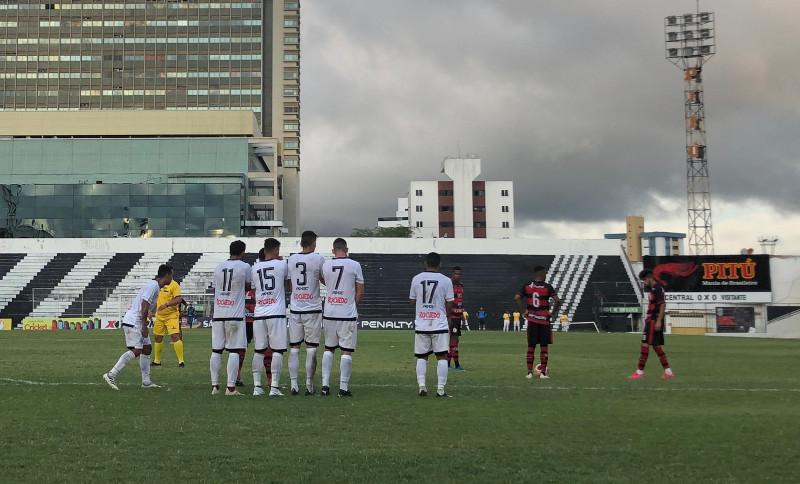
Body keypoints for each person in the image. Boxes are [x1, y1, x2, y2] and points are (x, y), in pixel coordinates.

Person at [103, 264, 173, 390]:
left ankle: (146, 382)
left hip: (136, 321)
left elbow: (146, 306)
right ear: (167, 275)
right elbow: (144, 305)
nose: (172, 279)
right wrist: (144, 326)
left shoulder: (155, 286)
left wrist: (150, 314)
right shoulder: (153, 286)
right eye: (171, 275)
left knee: (147, 349)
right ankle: (111, 374)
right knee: (137, 350)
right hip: (134, 322)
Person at [320, 238, 364, 397]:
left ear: (333, 251)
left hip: (330, 312)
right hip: (347, 313)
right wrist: (353, 304)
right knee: (346, 351)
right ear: (347, 249)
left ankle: (325, 386)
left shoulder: (326, 265)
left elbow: (323, 279)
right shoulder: (355, 265)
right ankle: (343, 388)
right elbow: (360, 289)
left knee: (328, 348)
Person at [209, 240, 252, 396]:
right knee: (234, 350)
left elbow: (216, 288)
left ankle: (215, 386)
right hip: (234, 314)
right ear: (243, 252)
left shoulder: (219, 267)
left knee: (216, 350)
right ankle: (231, 388)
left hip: (218, 313)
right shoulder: (245, 267)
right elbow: (248, 286)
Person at [287, 230, 326, 396]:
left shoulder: (292, 259)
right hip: (312, 308)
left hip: (295, 308)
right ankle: (309, 384)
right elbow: (325, 280)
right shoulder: (318, 258)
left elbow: (289, 283)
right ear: (313, 243)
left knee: (294, 348)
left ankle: (294, 385)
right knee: (311, 348)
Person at [411, 252, 455, 397]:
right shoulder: (446, 280)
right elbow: (450, 302)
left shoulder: (416, 279)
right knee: (442, 356)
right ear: (439, 264)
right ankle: (440, 389)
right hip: (439, 322)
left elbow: (412, 301)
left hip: (422, 323)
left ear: (425, 263)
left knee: (422, 357)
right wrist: (446, 315)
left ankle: (422, 387)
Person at [251, 238, 290, 397]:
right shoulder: (282, 264)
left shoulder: (255, 267)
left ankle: (257, 387)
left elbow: (254, 289)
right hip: (276, 312)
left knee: (259, 350)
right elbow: (289, 285)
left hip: (259, 312)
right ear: (274, 250)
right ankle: (274, 387)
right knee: (278, 350)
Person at [515, 265, 560, 380]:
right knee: (544, 347)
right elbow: (557, 300)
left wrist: (523, 311)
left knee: (531, 346)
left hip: (532, 321)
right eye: (545, 273)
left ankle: (529, 373)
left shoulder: (527, 286)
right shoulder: (547, 287)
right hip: (544, 321)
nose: (546, 275)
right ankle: (543, 373)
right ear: (541, 273)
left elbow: (517, 297)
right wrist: (552, 313)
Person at [629, 269, 674, 380]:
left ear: (649, 278)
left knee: (644, 344)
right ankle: (668, 372)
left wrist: (658, 321)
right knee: (656, 346)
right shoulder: (653, 289)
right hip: (651, 321)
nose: (644, 282)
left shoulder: (657, 289)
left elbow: (662, 305)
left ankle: (639, 372)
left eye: (644, 280)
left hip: (654, 321)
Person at [151, 268, 185, 368]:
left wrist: (166, 305)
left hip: (171, 316)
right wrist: (151, 310)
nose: (172, 276)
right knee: (157, 337)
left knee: (175, 336)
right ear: (167, 275)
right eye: (171, 274)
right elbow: (154, 298)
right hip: (159, 316)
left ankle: (181, 361)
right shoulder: (157, 285)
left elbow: (178, 299)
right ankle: (157, 361)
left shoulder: (174, 285)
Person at [448, 266, 465, 371]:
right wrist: (448, 316)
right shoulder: (449, 285)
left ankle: (456, 364)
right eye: (456, 273)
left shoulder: (461, 286)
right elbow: (447, 302)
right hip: (451, 317)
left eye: (459, 274)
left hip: (458, 317)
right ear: (452, 274)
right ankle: (450, 364)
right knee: (452, 341)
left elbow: (460, 302)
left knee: (455, 341)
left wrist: (462, 313)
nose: (458, 276)